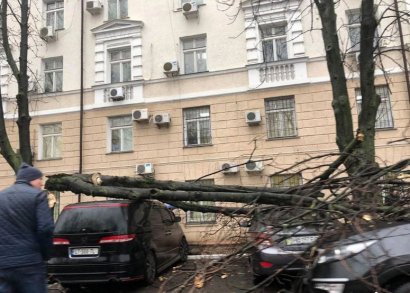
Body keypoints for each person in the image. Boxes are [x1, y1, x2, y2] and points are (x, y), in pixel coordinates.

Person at [0, 163, 55, 293]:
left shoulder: (1, 197)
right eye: (40, 179)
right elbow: (46, 228)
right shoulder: (38, 196)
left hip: (3, 264)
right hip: (29, 264)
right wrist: (46, 254)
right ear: (31, 179)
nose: (41, 183)